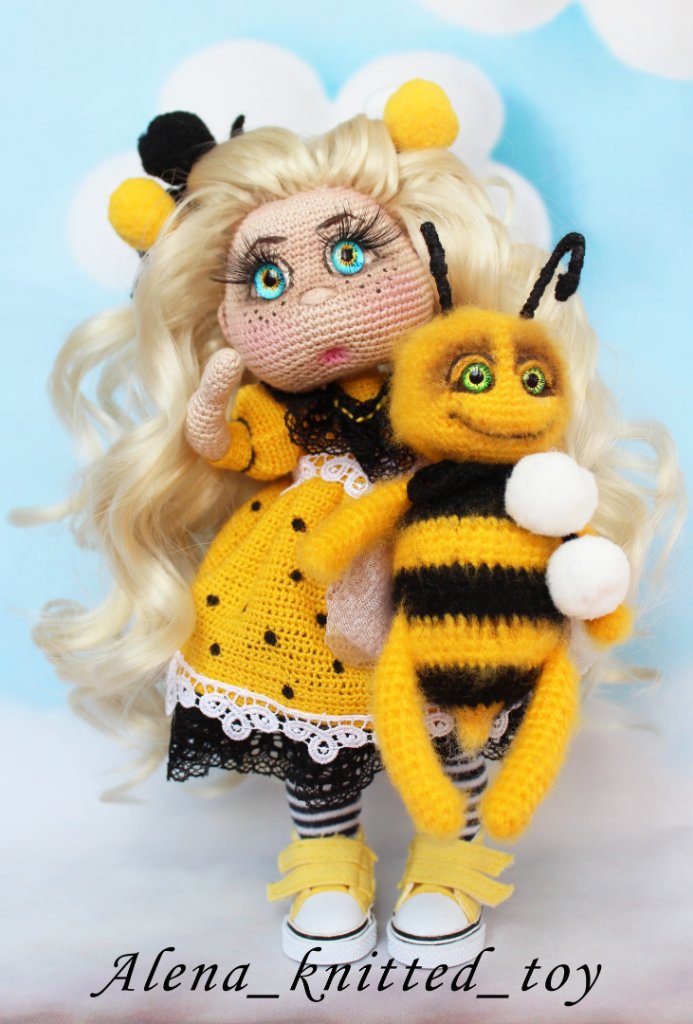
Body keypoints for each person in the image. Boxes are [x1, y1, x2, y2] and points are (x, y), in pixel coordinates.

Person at [28, 80, 682, 967]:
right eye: (267, 279)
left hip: (437, 567)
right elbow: (228, 449)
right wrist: (213, 397)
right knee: (313, 748)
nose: (315, 303)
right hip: (292, 591)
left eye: (349, 254)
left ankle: (448, 860)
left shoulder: (449, 379)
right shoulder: (284, 414)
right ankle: (327, 861)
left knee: (458, 708)